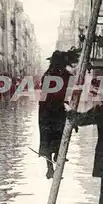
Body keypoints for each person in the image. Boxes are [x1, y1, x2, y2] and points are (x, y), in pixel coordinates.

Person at [38, 48, 80, 179]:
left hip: (45, 111)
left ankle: (50, 167)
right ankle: (54, 161)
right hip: (53, 110)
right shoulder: (59, 75)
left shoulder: (48, 74)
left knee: (47, 138)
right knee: (55, 136)